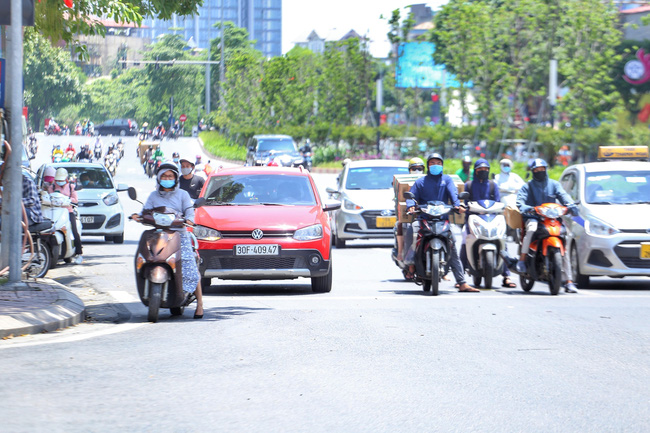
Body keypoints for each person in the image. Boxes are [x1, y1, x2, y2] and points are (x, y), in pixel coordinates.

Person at [130, 163, 204, 318]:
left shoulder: (183, 195)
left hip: (178, 235)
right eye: (164, 176)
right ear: (158, 178)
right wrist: (139, 216)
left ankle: (200, 304)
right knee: (144, 257)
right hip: (157, 235)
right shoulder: (153, 196)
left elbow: (189, 211)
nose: (167, 179)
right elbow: (146, 211)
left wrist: (189, 220)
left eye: (170, 176)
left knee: (190, 266)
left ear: (176, 178)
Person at [406, 153, 480, 292]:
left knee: (452, 247)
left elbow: (454, 195)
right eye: (432, 163)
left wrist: (458, 205)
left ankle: (462, 282)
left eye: (438, 163)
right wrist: (410, 205)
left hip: (442, 220)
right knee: (412, 233)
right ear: (428, 165)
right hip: (424, 219)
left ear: (442, 165)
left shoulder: (447, 180)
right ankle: (410, 265)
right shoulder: (420, 182)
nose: (435, 165)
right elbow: (411, 196)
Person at [516, 158, 579, 293]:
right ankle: (522, 259)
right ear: (532, 171)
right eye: (536, 170)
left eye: (542, 169)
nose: (539, 172)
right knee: (531, 229)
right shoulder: (527, 186)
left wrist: (571, 206)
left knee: (565, 240)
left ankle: (568, 281)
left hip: (552, 219)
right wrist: (528, 208)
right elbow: (520, 202)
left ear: (546, 169)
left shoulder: (554, 185)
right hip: (535, 218)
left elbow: (564, 196)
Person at [459, 159, 516, 288]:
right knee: (465, 240)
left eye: (485, 169)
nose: (483, 171)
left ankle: (507, 276)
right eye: (480, 169)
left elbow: (497, 201)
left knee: (502, 241)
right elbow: (464, 203)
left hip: (491, 218)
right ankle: (461, 276)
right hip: (473, 219)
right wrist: (464, 207)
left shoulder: (492, 185)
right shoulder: (468, 185)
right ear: (475, 170)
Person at [48, 167, 83, 264]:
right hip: (55, 212)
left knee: (75, 232)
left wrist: (67, 200)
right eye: (58, 180)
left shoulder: (71, 187)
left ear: (66, 179)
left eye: (61, 180)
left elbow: (75, 200)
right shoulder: (52, 187)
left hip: (68, 212)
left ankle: (79, 253)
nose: (59, 182)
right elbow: (49, 197)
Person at [396, 157, 425, 266]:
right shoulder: (405, 181)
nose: (417, 170)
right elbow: (405, 197)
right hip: (411, 212)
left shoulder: (426, 181)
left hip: (426, 211)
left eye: (419, 168)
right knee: (404, 226)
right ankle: (402, 254)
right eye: (414, 168)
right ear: (410, 169)